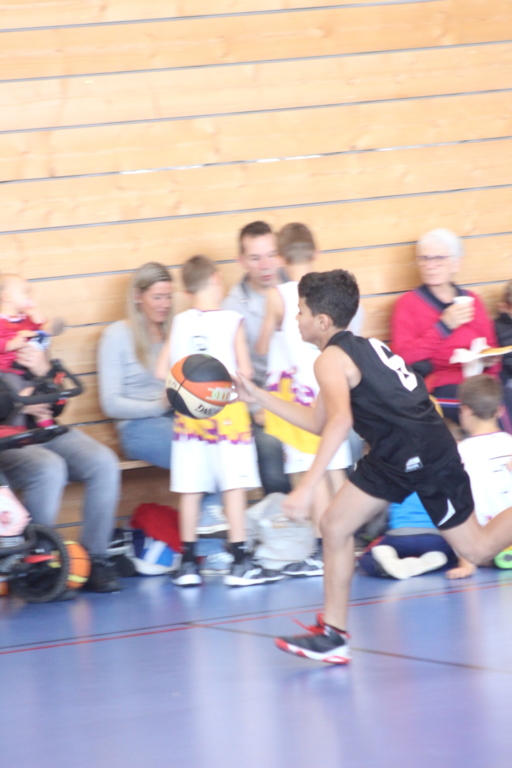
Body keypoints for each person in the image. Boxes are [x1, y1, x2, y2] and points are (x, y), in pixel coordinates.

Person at [235, 269, 512, 664]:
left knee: (478, 549)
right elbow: (318, 421)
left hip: (424, 451)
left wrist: (306, 487)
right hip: (394, 453)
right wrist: (258, 395)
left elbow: (339, 422)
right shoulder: (353, 349)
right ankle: (333, 634)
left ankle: (334, 633)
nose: (295, 318)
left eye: (301, 311)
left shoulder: (330, 360)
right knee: (334, 526)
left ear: (322, 321)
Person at [155, 255, 282, 588]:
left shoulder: (179, 321)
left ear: (186, 290)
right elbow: (246, 370)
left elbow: (161, 371)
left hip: (189, 418)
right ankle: (240, 562)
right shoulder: (231, 319)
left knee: (190, 489)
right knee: (233, 489)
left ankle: (187, 564)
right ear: (215, 279)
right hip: (227, 417)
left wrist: (191, 385)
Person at [98, 262, 226, 541]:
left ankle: (205, 538)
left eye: (168, 297)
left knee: (220, 440)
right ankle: (207, 544)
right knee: (196, 452)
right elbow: (110, 403)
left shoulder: (174, 331)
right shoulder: (116, 335)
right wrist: (157, 405)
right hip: (137, 426)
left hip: (175, 415)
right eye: (157, 297)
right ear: (137, 296)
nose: (164, 304)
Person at [257, 223, 352, 577]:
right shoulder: (329, 295)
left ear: (280, 257)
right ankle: (348, 540)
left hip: (297, 396)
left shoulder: (278, 296)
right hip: (330, 384)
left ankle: (323, 547)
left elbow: (261, 346)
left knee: (307, 472)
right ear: (316, 253)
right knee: (335, 467)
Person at [0, 344, 121, 592]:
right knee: (48, 468)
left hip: (42, 429)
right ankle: (38, 562)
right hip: (6, 438)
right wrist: (19, 403)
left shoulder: (24, 336)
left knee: (103, 463)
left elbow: (57, 406)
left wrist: (44, 371)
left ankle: (96, 558)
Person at [391, 228, 499, 420]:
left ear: (456, 263)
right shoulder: (408, 304)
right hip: (440, 385)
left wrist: (489, 360)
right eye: (424, 258)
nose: (430, 265)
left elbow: (492, 350)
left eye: (439, 258)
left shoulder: (473, 300)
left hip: (481, 383)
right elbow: (402, 357)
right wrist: (443, 327)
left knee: (502, 401)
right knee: (484, 410)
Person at [222, 221, 292, 496]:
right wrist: (255, 409)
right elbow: (232, 375)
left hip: (308, 395)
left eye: (271, 254)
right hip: (262, 401)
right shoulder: (231, 308)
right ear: (241, 260)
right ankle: (284, 518)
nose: (266, 265)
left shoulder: (302, 286)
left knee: (350, 441)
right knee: (270, 449)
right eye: (255, 258)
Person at [452, 375, 512, 577]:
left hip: (483, 543)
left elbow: (458, 506)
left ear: (465, 410)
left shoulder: (459, 453)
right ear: (500, 410)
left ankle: (471, 559)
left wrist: (465, 559)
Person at [358, 492, 459, 580]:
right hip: (435, 539)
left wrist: (370, 534)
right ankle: (424, 563)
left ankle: (395, 563)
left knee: (367, 559)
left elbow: (377, 521)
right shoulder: (441, 484)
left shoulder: (395, 485)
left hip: (399, 537)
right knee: (449, 559)